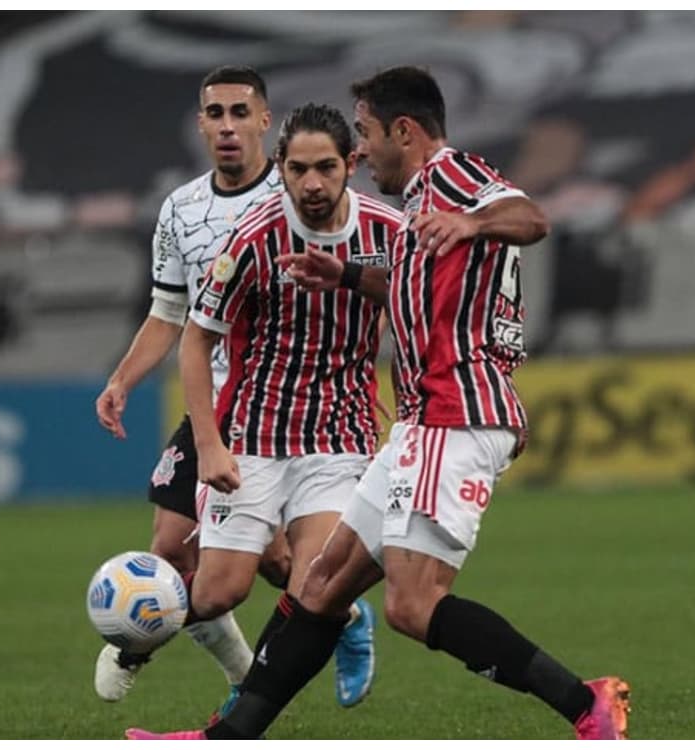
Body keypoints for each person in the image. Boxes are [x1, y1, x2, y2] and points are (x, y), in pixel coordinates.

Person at [127, 66, 631, 741]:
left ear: (404, 131)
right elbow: (416, 284)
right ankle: (224, 739)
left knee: (412, 604)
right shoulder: (418, 202)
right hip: (425, 423)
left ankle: (584, 703)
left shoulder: (450, 177)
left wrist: (470, 221)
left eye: (363, 133)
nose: (360, 153)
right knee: (321, 586)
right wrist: (347, 275)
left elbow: (531, 217)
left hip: (453, 416)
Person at [93, 67, 376, 711]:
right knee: (174, 553)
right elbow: (171, 314)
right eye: (214, 113)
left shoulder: (297, 195)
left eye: (239, 113)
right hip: (215, 410)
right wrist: (123, 379)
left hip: (295, 411)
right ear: (200, 123)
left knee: (282, 567)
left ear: (264, 123)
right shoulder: (181, 208)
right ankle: (242, 674)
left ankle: (325, 628)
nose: (226, 126)